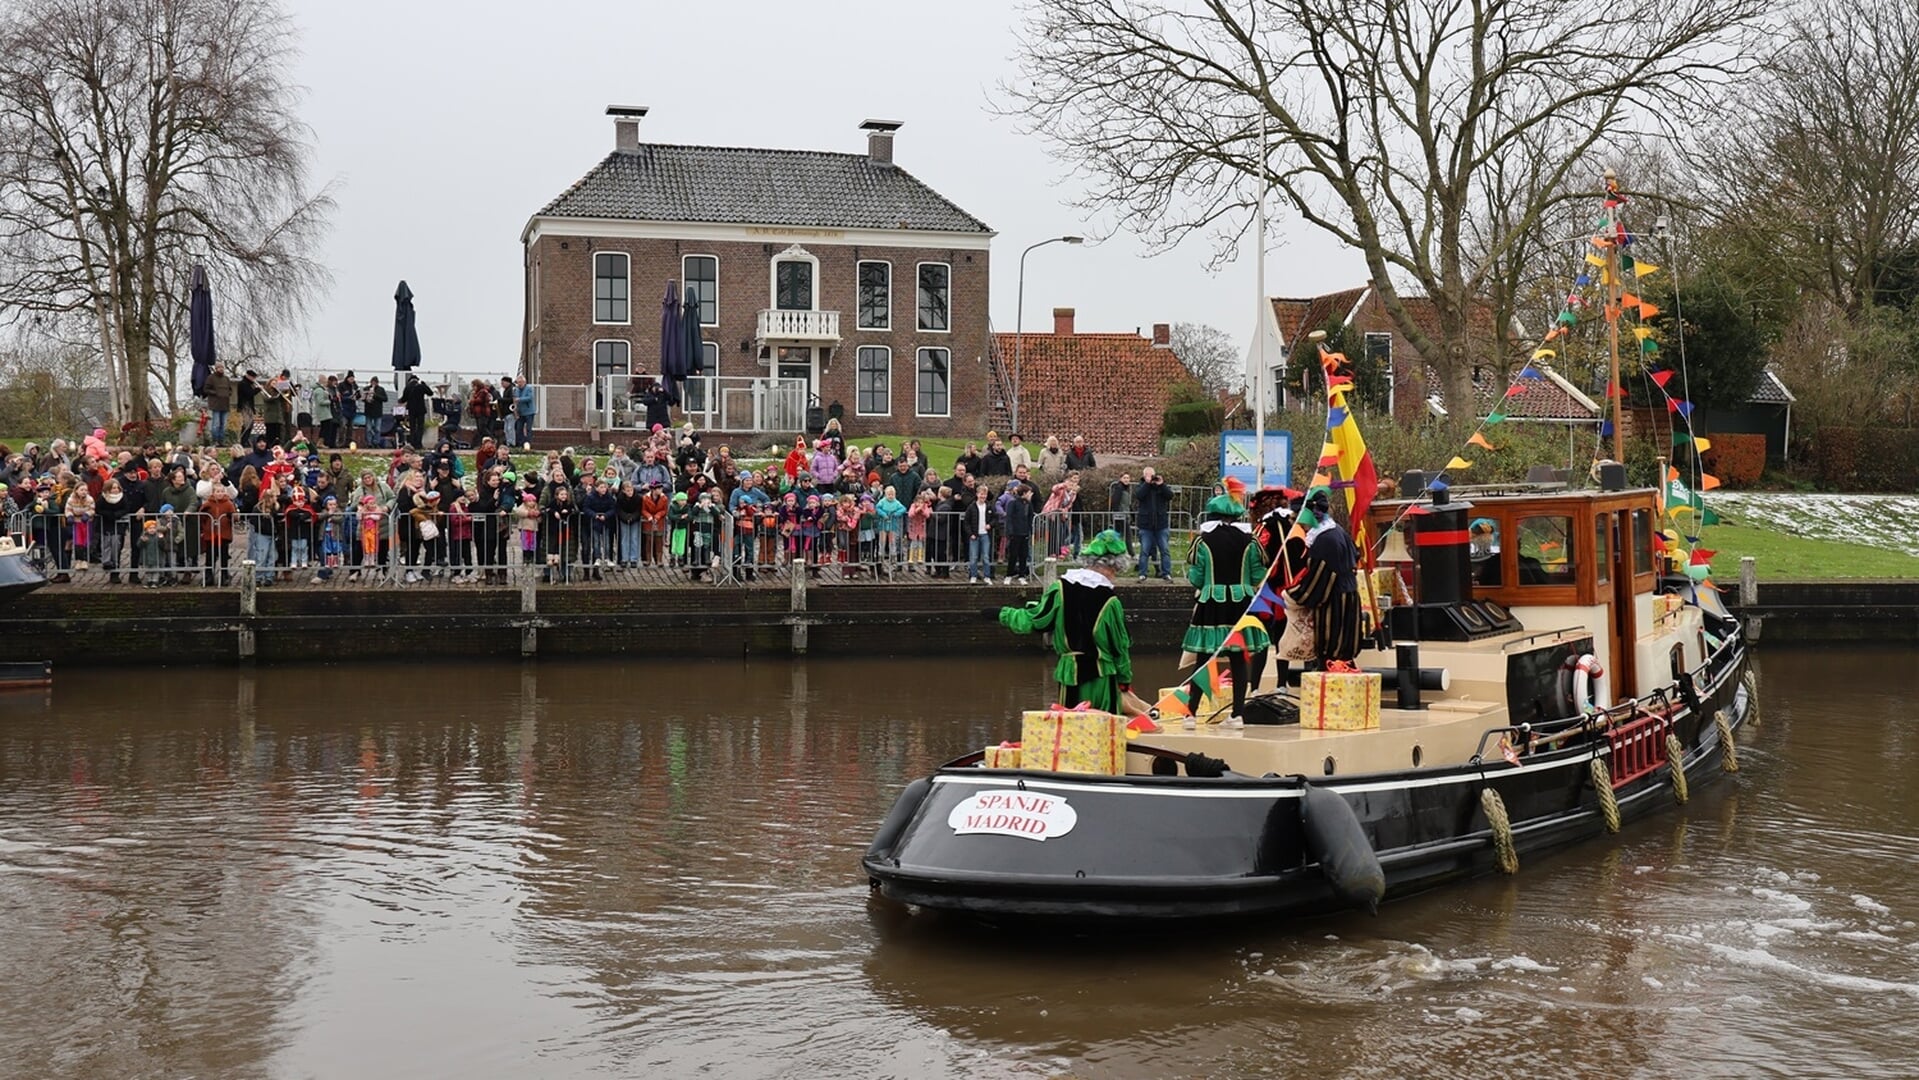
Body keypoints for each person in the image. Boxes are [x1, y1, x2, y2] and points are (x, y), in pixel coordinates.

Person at [998, 530, 1135, 713]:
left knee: (1071, 726)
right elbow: (1119, 647)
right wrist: (1124, 680)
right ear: (1113, 567)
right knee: (1103, 727)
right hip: (1102, 675)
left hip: (1070, 674)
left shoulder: (1060, 588)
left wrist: (1003, 614)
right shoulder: (1110, 601)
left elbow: (1037, 620)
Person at [1288, 485, 1363, 663]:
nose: (1300, 525)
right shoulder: (1337, 531)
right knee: (1344, 650)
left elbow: (1319, 579)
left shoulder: (1325, 540)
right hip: (1348, 593)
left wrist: (1295, 595)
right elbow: (1355, 555)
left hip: (1335, 600)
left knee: (1332, 648)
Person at [1132, 467, 1174, 580]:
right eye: (1148, 475)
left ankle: (1166, 573)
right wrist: (1147, 483)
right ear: (1144, 475)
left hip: (1161, 524)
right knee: (1144, 550)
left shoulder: (1160, 486)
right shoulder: (1141, 485)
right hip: (1146, 525)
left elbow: (1170, 495)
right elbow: (1139, 495)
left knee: (1164, 550)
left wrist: (1162, 484)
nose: (1151, 477)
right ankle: (1142, 573)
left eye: (1152, 475)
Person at [203, 362, 233, 445]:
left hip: (225, 404)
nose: (221, 369)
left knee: (223, 425)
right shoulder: (211, 378)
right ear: (216, 369)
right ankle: (215, 440)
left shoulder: (226, 379)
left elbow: (230, 389)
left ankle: (221, 441)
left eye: (222, 367)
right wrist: (216, 393)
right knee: (216, 424)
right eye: (219, 367)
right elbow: (206, 389)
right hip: (215, 404)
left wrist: (228, 394)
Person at [400, 374, 430, 450]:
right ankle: (419, 444)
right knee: (420, 427)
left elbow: (403, 399)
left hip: (411, 410)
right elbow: (430, 393)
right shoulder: (421, 386)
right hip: (421, 410)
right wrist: (425, 385)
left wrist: (400, 401)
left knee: (412, 427)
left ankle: (413, 444)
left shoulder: (408, 387)